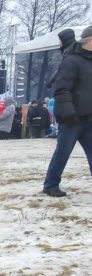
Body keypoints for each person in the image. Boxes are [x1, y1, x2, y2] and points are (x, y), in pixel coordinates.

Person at [43, 24, 92, 197]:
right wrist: (68, 113)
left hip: (89, 118)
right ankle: (50, 185)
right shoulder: (72, 61)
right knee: (62, 154)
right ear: (89, 40)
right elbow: (61, 89)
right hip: (71, 119)